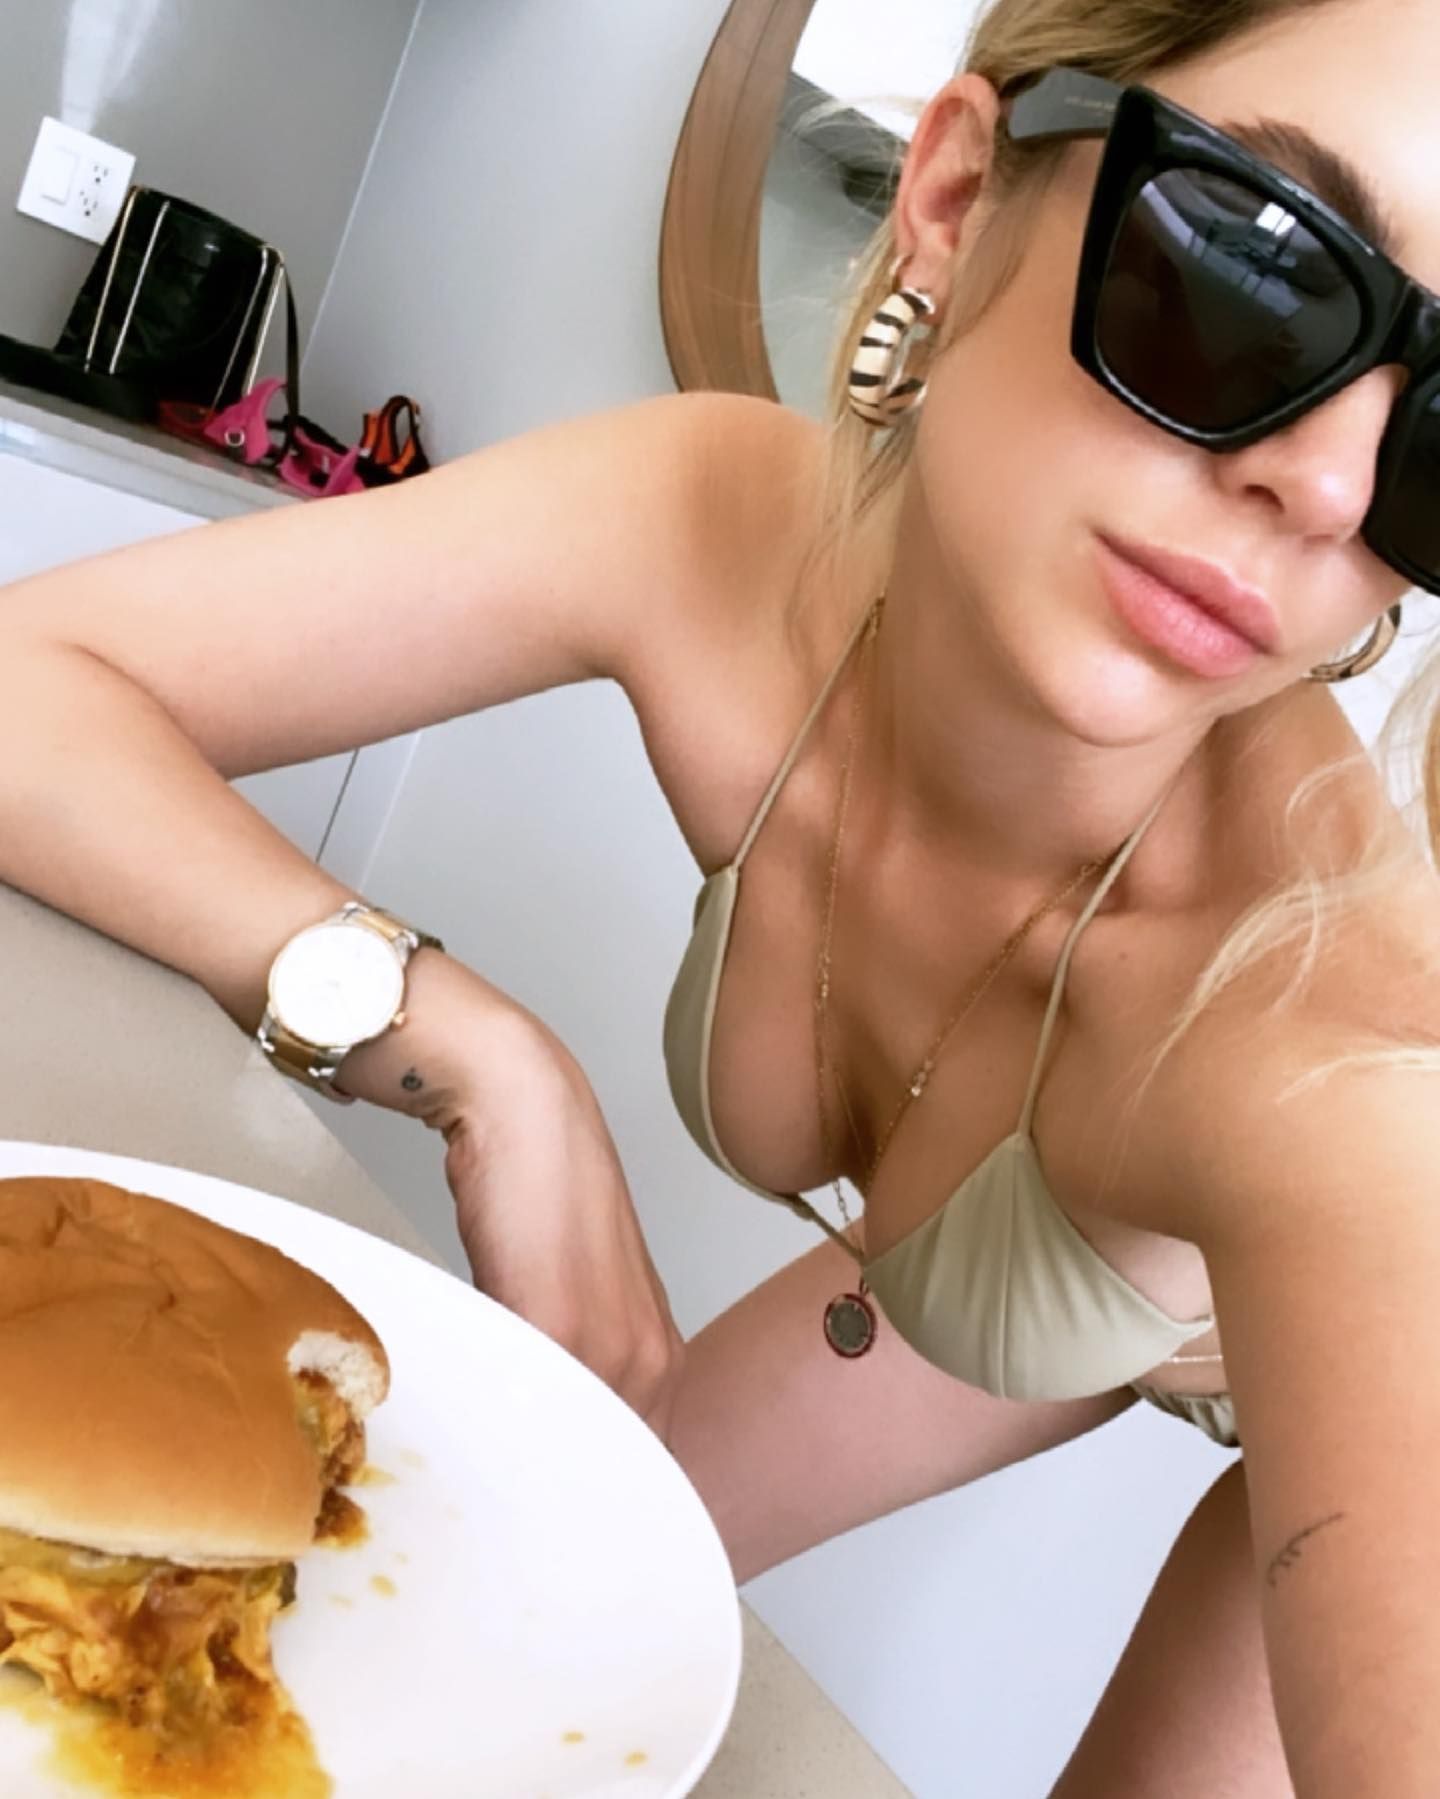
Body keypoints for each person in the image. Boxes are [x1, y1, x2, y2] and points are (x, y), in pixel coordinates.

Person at [2, 0, 1439, 1789]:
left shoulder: (1327, 1039)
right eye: (1257, 262)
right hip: (985, 1254)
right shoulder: (722, 525)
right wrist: (474, 1051)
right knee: (515, 1596)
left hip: (1329, 1356)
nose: (1329, 484)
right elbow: (27, 688)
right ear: (957, 191)